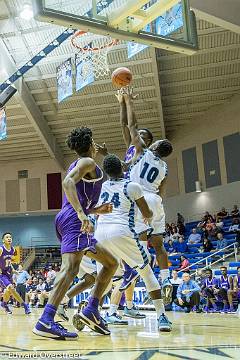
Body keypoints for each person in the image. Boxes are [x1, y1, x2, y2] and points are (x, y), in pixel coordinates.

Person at [33, 127, 119, 340]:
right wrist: (82, 215)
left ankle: (91, 309)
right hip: (74, 219)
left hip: (69, 218)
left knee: (110, 263)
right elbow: (67, 182)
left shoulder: (85, 163)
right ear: (90, 144)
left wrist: (95, 210)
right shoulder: (86, 163)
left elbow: (79, 194)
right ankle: (46, 319)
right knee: (70, 268)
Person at [84, 154, 172, 331]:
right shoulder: (132, 186)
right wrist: (150, 217)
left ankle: (90, 310)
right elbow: (147, 213)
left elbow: (92, 211)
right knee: (147, 272)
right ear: (123, 169)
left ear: (106, 173)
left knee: (104, 279)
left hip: (100, 234)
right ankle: (162, 316)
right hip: (121, 232)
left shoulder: (100, 187)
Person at [123, 91, 173, 305]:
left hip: (140, 199)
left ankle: (139, 274)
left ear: (153, 146)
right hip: (156, 200)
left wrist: (129, 101)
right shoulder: (165, 166)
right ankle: (167, 277)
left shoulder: (143, 152)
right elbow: (162, 191)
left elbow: (131, 125)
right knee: (159, 244)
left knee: (142, 244)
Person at [0, 233, 31, 315]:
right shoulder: (1, 249)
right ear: (3, 240)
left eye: (10, 237)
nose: (9, 238)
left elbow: (9, 262)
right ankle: (25, 305)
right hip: (1, 274)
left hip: (8, 273)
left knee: (8, 291)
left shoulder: (13, 250)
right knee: (11, 288)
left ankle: (4, 304)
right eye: (7, 237)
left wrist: (13, 270)